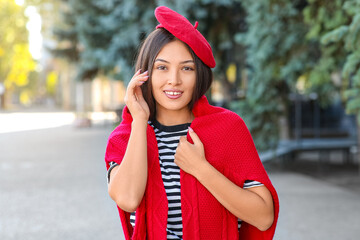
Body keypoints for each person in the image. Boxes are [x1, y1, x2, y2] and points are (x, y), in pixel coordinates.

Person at [105, 6, 279, 240]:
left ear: (199, 75)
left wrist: (200, 168)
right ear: (145, 74)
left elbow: (263, 216)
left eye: (187, 68)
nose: (174, 80)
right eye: (162, 67)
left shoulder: (227, 128)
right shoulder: (125, 136)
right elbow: (127, 199)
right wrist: (139, 120)